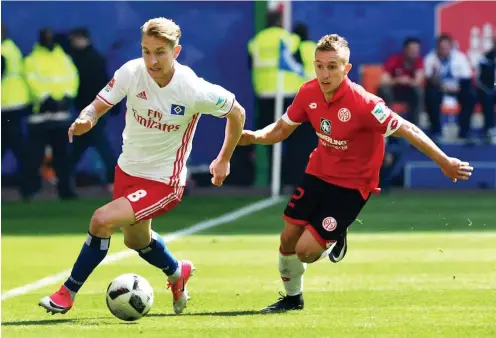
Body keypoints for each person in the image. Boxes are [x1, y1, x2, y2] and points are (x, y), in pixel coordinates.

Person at [237, 34, 473, 313]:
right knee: (288, 238)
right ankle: (292, 299)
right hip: (318, 172)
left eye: (333, 66)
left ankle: (336, 235)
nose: (325, 74)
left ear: (346, 68)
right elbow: (281, 129)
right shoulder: (307, 92)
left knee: (306, 251)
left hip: (353, 185)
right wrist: (254, 137)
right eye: (320, 66)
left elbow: (408, 129)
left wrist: (444, 161)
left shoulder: (365, 103)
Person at [39, 17, 246, 315]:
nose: (152, 59)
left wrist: (224, 157)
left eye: (160, 52)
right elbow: (97, 105)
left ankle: (66, 292)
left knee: (101, 220)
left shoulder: (193, 89)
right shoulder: (132, 72)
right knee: (136, 240)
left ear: (176, 52)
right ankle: (177, 272)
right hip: (127, 171)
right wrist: (87, 118)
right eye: (146, 51)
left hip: (164, 181)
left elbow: (237, 113)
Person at [378, 37, 424, 126]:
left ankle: (414, 128)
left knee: (419, 91)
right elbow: (383, 81)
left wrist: (408, 81)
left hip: (408, 93)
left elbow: (418, 81)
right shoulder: (394, 60)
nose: (415, 52)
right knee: (383, 90)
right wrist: (398, 80)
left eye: (417, 49)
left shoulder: (419, 61)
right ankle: (388, 125)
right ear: (405, 50)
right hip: (393, 93)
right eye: (412, 49)